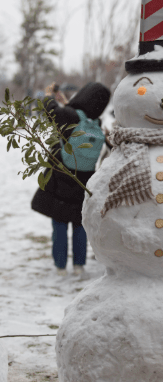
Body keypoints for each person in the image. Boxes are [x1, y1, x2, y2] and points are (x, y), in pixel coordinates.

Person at [31, 82, 111, 277]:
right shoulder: (96, 123)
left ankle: (60, 267)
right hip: (83, 181)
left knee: (59, 224)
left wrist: (49, 95)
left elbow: (50, 111)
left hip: (61, 178)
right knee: (78, 224)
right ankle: (79, 266)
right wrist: (63, 101)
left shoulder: (70, 117)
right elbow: (73, 113)